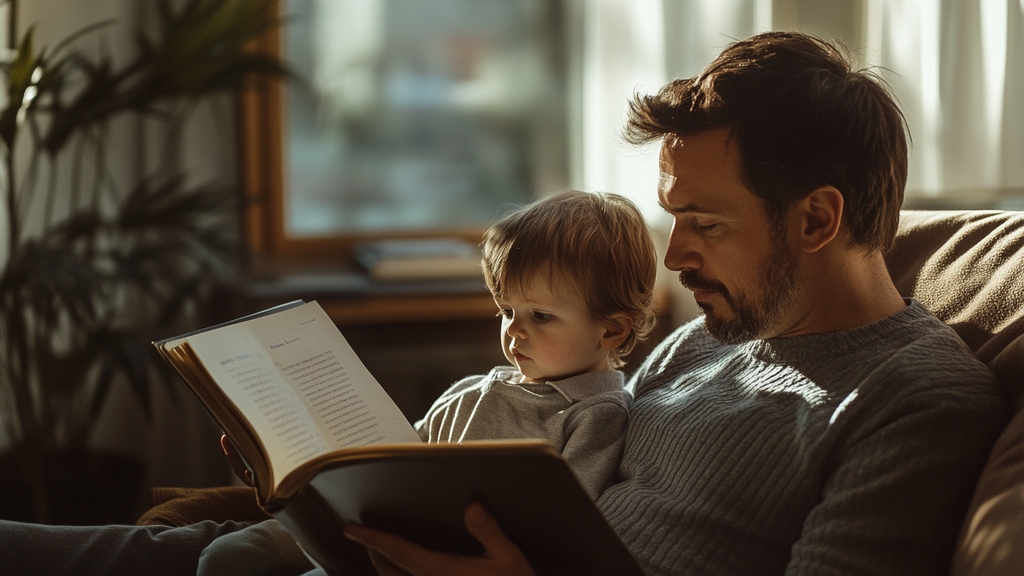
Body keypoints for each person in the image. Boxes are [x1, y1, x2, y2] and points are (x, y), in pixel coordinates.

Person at [0, 31, 1009, 576]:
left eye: (703, 220)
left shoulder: (915, 401)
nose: (673, 253)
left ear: (817, 220)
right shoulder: (703, 342)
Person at [195, 190, 659, 576]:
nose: (514, 330)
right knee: (226, 556)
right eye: (506, 311)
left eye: (540, 316)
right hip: (374, 524)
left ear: (612, 330)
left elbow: (561, 531)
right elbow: (399, 455)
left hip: (431, 560)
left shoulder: (594, 416)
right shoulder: (475, 389)